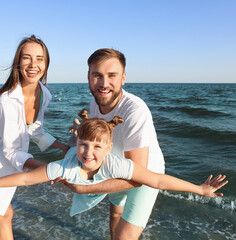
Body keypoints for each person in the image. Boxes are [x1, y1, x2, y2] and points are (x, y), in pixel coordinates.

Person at [0, 111, 228, 221]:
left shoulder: (116, 164)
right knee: (76, 177)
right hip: (81, 183)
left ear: (109, 149)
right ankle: (80, 125)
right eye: (84, 145)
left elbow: (157, 180)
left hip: (100, 184)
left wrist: (198, 189)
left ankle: (83, 123)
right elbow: (25, 179)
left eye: (98, 147)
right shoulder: (67, 165)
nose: (89, 153)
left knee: (117, 202)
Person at [0, 35, 69, 240]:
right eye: (27, 58)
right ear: (17, 63)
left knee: (2, 215)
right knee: (5, 214)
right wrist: (45, 169)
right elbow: (12, 151)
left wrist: (64, 147)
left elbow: (35, 128)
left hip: (8, 162)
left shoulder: (44, 93)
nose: (33, 64)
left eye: (39, 59)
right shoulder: (7, 101)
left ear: (46, 63)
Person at [63, 48, 167, 240]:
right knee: (115, 214)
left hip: (145, 175)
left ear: (123, 78)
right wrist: (81, 132)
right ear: (88, 77)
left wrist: (85, 188)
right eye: (97, 75)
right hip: (116, 166)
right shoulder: (96, 102)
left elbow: (137, 176)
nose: (104, 84)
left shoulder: (135, 111)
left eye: (112, 75)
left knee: (124, 237)